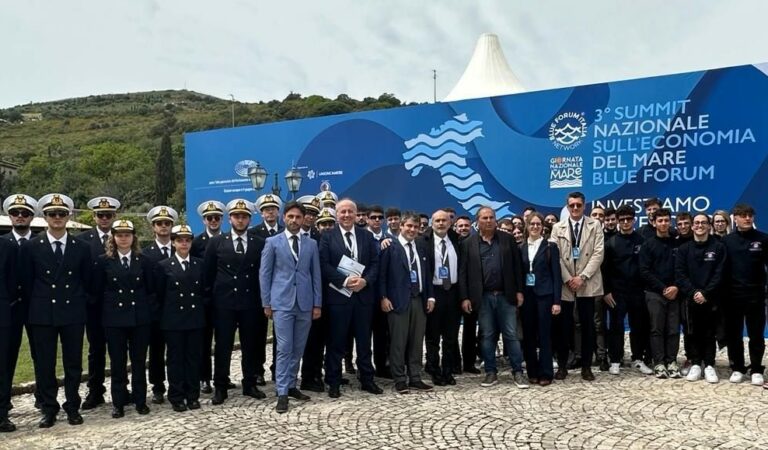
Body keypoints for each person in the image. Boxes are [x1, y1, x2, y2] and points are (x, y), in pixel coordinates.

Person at [19, 194, 91, 428]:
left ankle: (72, 406)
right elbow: (27, 282)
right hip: (43, 312)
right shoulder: (31, 246)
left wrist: (80, 302)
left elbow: (88, 281)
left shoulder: (81, 246)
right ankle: (49, 408)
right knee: (44, 363)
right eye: (52, 214)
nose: (57, 218)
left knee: (73, 363)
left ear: (69, 216)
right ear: (45, 217)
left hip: (72, 311)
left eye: (61, 214)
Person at [260, 201, 322, 413]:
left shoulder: (311, 244)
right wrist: (266, 302)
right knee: (284, 348)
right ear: (284, 218)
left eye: (298, 217)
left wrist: (317, 303)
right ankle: (282, 391)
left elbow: (316, 275)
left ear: (303, 219)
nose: (294, 220)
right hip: (282, 302)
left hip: (304, 303)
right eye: (291, 217)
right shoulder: (272, 242)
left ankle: (292, 384)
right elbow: (265, 274)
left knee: (298, 347)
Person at [204, 199, 267, 405]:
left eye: (244, 216)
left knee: (251, 345)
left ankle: (250, 383)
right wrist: (211, 301)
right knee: (223, 346)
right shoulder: (216, 242)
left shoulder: (259, 242)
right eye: (236, 216)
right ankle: (220, 386)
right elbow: (209, 274)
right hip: (224, 303)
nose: (240, 220)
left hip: (250, 302)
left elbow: (262, 273)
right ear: (229, 218)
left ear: (250, 219)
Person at [319, 199, 383, 397]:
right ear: (336, 215)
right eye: (342, 212)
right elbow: (324, 264)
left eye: (350, 212)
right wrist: (345, 281)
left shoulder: (366, 236)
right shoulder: (327, 237)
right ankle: (334, 381)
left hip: (363, 298)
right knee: (336, 342)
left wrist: (366, 281)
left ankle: (367, 379)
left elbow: (375, 263)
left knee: (364, 342)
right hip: (338, 298)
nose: (346, 215)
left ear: (356, 215)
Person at [459, 206, 527, 388]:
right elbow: (463, 273)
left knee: (511, 335)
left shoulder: (508, 239)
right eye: (485, 218)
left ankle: (518, 372)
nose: (489, 221)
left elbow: (517, 268)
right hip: (483, 298)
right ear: (477, 222)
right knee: (487, 336)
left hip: (506, 296)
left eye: (491, 217)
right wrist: (465, 297)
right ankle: (490, 372)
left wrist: (520, 291)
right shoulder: (468, 243)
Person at [92, 219, 153, 418]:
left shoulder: (143, 260)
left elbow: (151, 290)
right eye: (119, 235)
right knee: (117, 364)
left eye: (127, 235)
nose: (123, 238)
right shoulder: (103, 261)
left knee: (138, 362)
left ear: (133, 237)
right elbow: (98, 291)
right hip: (114, 319)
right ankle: (118, 403)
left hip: (139, 318)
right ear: (114, 237)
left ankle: (140, 400)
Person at [549, 192, 604, 381]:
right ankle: (563, 365)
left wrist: (582, 277)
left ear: (584, 206)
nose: (575, 208)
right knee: (564, 328)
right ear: (567, 206)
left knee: (588, 327)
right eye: (571, 205)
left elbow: (598, 253)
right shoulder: (557, 227)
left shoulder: (595, 225)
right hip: (566, 285)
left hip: (587, 283)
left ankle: (587, 367)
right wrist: (567, 278)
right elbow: (554, 255)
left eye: (578, 205)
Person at [379, 213, 435, 394]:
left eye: (415, 227)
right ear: (401, 226)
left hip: (419, 300)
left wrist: (431, 297)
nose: (412, 230)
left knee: (417, 341)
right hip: (397, 301)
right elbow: (382, 275)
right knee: (398, 342)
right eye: (409, 226)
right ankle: (400, 379)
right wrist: (383, 297)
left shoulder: (421, 246)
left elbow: (427, 274)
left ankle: (416, 377)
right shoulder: (390, 246)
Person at [155, 224, 207, 412]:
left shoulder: (199, 264)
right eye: (180, 240)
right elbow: (160, 294)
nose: (184, 243)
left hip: (194, 318)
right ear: (173, 242)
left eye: (187, 240)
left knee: (193, 358)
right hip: (173, 320)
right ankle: (176, 396)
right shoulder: (163, 266)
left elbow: (204, 291)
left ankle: (193, 395)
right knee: (175, 360)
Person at [79, 196, 121, 411]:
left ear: (114, 217)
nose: (104, 218)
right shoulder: (84, 239)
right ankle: (95, 390)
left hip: (117, 304)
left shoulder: (122, 237)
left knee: (118, 349)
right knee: (96, 350)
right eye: (100, 215)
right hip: (94, 306)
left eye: (108, 215)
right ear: (94, 216)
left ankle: (120, 390)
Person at [601, 205, 652, 375]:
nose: (625, 222)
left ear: (634, 220)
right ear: (617, 221)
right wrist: (606, 291)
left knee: (638, 326)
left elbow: (647, 267)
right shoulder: (611, 243)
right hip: (616, 292)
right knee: (616, 327)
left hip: (638, 291)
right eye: (621, 220)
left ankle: (637, 359)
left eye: (628, 219)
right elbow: (604, 270)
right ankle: (615, 359)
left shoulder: (642, 241)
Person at [676, 213, 726, 383]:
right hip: (690, 299)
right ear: (692, 226)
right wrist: (694, 293)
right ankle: (696, 363)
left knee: (709, 332)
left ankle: (710, 365)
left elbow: (720, 273)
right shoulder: (684, 249)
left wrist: (706, 293)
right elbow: (680, 274)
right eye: (696, 223)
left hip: (710, 298)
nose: (699, 226)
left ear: (709, 225)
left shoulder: (718, 247)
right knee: (692, 332)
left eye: (703, 222)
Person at [1, 194, 40, 412]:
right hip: (9, 308)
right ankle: (3, 403)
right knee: (6, 358)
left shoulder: (40, 242)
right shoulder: (2, 242)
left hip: (36, 306)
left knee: (41, 355)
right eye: (15, 213)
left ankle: (43, 399)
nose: (20, 217)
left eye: (25, 213)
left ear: (32, 216)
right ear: (9, 216)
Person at [721, 204, 767, 386]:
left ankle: (756, 368)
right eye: (743, 215)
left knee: (756, 334)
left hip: (755, 295)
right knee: (734, 335)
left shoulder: (763, 239)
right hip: (732, 296)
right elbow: (722, 270)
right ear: (735, 218)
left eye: (750, 215)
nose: (747, 218)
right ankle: (737, 368)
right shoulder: (727, 241)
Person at [142, 205, 179, 405]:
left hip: (178, 311)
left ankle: (177, 384)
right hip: (156, 312)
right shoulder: (146, 254)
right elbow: (147, 286)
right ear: (153, 227)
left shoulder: (181, 248)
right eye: (159, 223)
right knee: (156, 351)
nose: (163, 227)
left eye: (167, 223)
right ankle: (157, 386)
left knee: (176, 351)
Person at [520, 212, 562, 386]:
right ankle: (532, 371)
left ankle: (546, 372)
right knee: (529, 335)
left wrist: (557, 301)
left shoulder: (550, 247)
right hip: (527, 297)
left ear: (543, 227)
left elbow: (556, 276)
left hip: (545, 296)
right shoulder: (520, 247)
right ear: (527, 226)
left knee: (545, 335)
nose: (535, 227)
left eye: (538, 224)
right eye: (532, 224)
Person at [639, 208, 681, 379]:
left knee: (673, 329)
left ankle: (671, 362)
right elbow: (644, 271)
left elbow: (682, 268)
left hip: (675, 292)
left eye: (666, 220)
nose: (663, 223)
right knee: (656, 329)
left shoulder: (677, 244)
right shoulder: (647, 245)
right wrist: (663, 288)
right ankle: (659, 363)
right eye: (660, 220)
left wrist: (676, 287)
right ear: (653, 222)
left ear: (670, 221)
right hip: (654, 293)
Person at [421, 209, 461, 387]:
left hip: (453, 293)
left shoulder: (457, 240)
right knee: (433, 336)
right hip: (434, 292)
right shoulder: (423, 241)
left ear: (450, 222)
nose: (441, 224)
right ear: (432, 223)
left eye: (444, 220)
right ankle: (433, 370)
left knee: (451, 336)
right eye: (437, 221)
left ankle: (447, 370)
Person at [190, 200, 226, 395]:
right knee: (204, 341)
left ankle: (223, 376)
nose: (213, 221)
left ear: (222, 219)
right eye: (209, 218)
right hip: (204, 298)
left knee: (222, 340)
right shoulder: (196, 242)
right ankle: (204, 378)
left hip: (223, 298)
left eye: (217, 218)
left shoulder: (227, 239)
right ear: (204, 220)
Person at [249, 193, 284, 385]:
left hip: (282, 289)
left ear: (278, 211)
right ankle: (257, 370)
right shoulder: (254, 233)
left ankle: (278, 369)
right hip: (259, 290)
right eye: (266, 209)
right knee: (258, 333)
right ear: (261, 213)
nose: (270, 212)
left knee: (281, 334)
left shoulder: (286, 231)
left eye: (273, 208)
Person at [296, 195, 326, 393]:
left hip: (315, 296)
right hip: (293, 297)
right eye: (307, 213)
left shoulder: (320, 237)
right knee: (294, 342)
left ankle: (312, 375)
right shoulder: (287, 235)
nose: (310, 217)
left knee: (316, 339)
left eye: (314, 214)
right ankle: (289, 378)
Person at [366, 205, 391, 378]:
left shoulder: (389, 239)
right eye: (373, 217)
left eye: (379, 217)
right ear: (367, 219)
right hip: (365, 293)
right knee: (364, 336)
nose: (376, 220)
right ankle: (365, 369)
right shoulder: (361, 238)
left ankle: (382, 367)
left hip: (383, 294)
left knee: (382, 334)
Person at [0, 218, 18, 432]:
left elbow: (14, 282)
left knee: (2, 366)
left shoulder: (7, 247)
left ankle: (2, 413)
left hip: (2, 312)